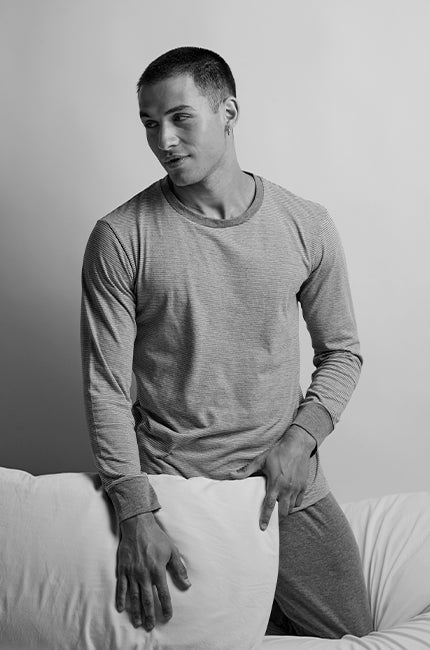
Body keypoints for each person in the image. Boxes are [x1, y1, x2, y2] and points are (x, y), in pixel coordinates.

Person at [80, 46, 373, 638]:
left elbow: (342, 352)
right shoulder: (120, 236)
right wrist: (135, 509)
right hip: (178, 487)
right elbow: (106, 388)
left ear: (229, 113)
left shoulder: (305, 224)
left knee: (355, 635)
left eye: (180, 118)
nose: (163, 140)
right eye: (149, 123)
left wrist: (301, 440)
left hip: (283, 483)